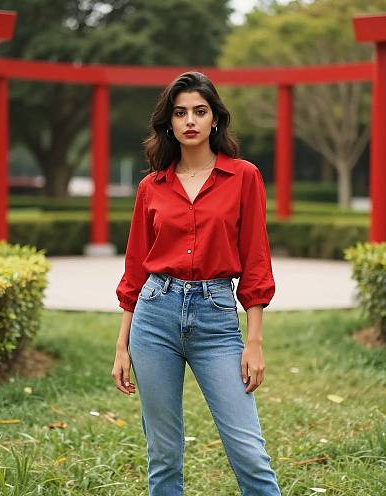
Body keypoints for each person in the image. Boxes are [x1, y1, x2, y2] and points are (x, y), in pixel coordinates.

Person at [112, 71, 281, 496]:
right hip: (154, 316)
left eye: (200, 112)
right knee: (163, 455)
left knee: (248, 451)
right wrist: (121, 346)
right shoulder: (152, 186)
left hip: (217, 317)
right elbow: (135, 269)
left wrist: (254, 340)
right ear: (168, 122)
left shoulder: (243, 177)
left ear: (214, 120)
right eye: (180, 112)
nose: (190, 121)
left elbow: (256, 261)